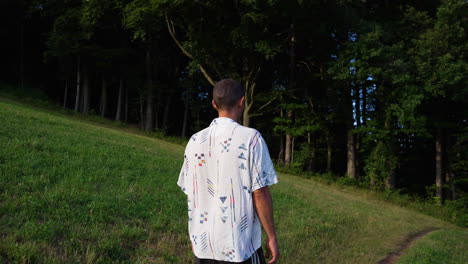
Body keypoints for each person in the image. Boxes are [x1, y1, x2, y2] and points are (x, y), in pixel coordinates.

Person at [177, 79, 279, 264]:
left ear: (214, 104)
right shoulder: (251, 139)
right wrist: (271, 236)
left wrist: (195, 235)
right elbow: (260, 192)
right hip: (241, 246)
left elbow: (191, 191)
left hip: (204, 246)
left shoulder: (194, 141)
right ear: (242, 101)